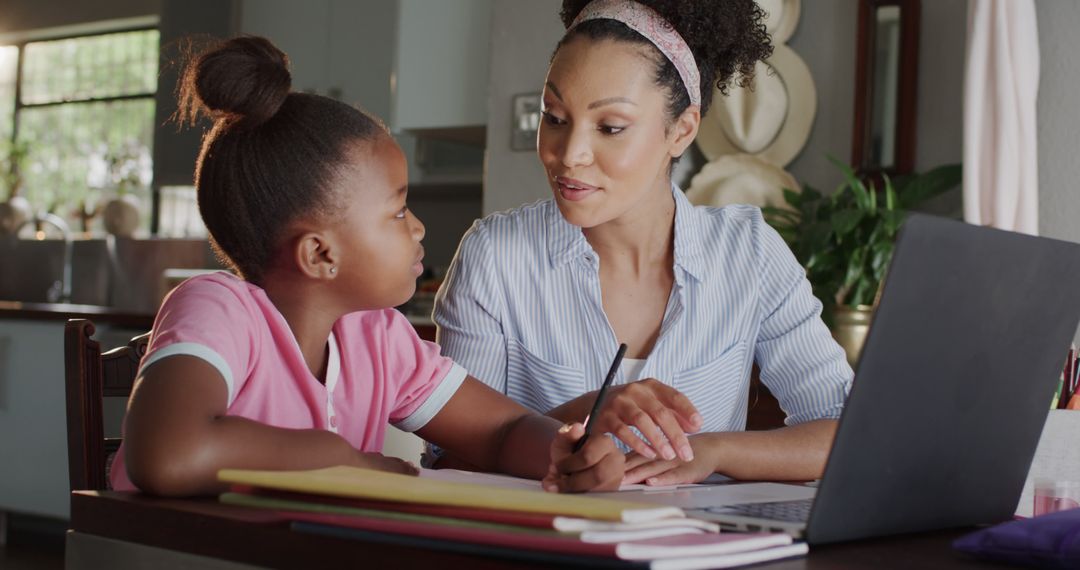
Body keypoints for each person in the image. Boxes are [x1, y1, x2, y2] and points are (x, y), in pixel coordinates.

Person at [111, 35, 623, 496]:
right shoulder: (215, 309)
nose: (418, 228)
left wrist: (561, 450)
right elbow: (168, 456)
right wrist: (341, 460)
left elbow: (499, 431)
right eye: (398, 211)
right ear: (319, 254)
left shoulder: (376, 335)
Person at [433, 0, 854, 486]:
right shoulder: (496, 256)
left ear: (681, 130)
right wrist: (582, 421)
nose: (570, 155)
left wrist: (711, 451)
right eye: (554, 116)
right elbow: (448, 461)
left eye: (610, 127)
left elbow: (844, 430)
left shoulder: (750, 253)